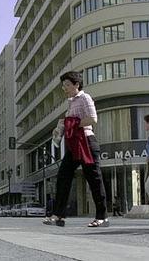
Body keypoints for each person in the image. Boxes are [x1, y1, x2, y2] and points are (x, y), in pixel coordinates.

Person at [43, 71, 108, 227]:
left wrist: (72, 123)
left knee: (94, 179)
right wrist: (61, 128)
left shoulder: (85, 97)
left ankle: (102, 216)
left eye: (67, 85)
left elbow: (93, 119)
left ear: (76, 85)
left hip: (86, 141)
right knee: (63, 177)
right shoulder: (71, 102)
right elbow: (69, 123)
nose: (64, 89)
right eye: (63, 86)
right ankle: (59, 215)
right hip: (73, 144)